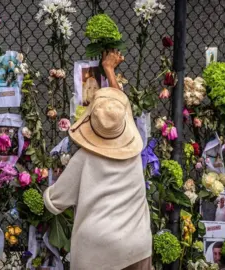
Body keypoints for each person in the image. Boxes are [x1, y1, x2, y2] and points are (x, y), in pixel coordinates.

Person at [43, 49, 152, 270]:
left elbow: (56, 201)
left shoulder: (83, 160)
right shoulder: (133, 152)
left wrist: (44, 192)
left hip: (97, 251)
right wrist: (110, 70)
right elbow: (119, 109)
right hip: (137, 247)